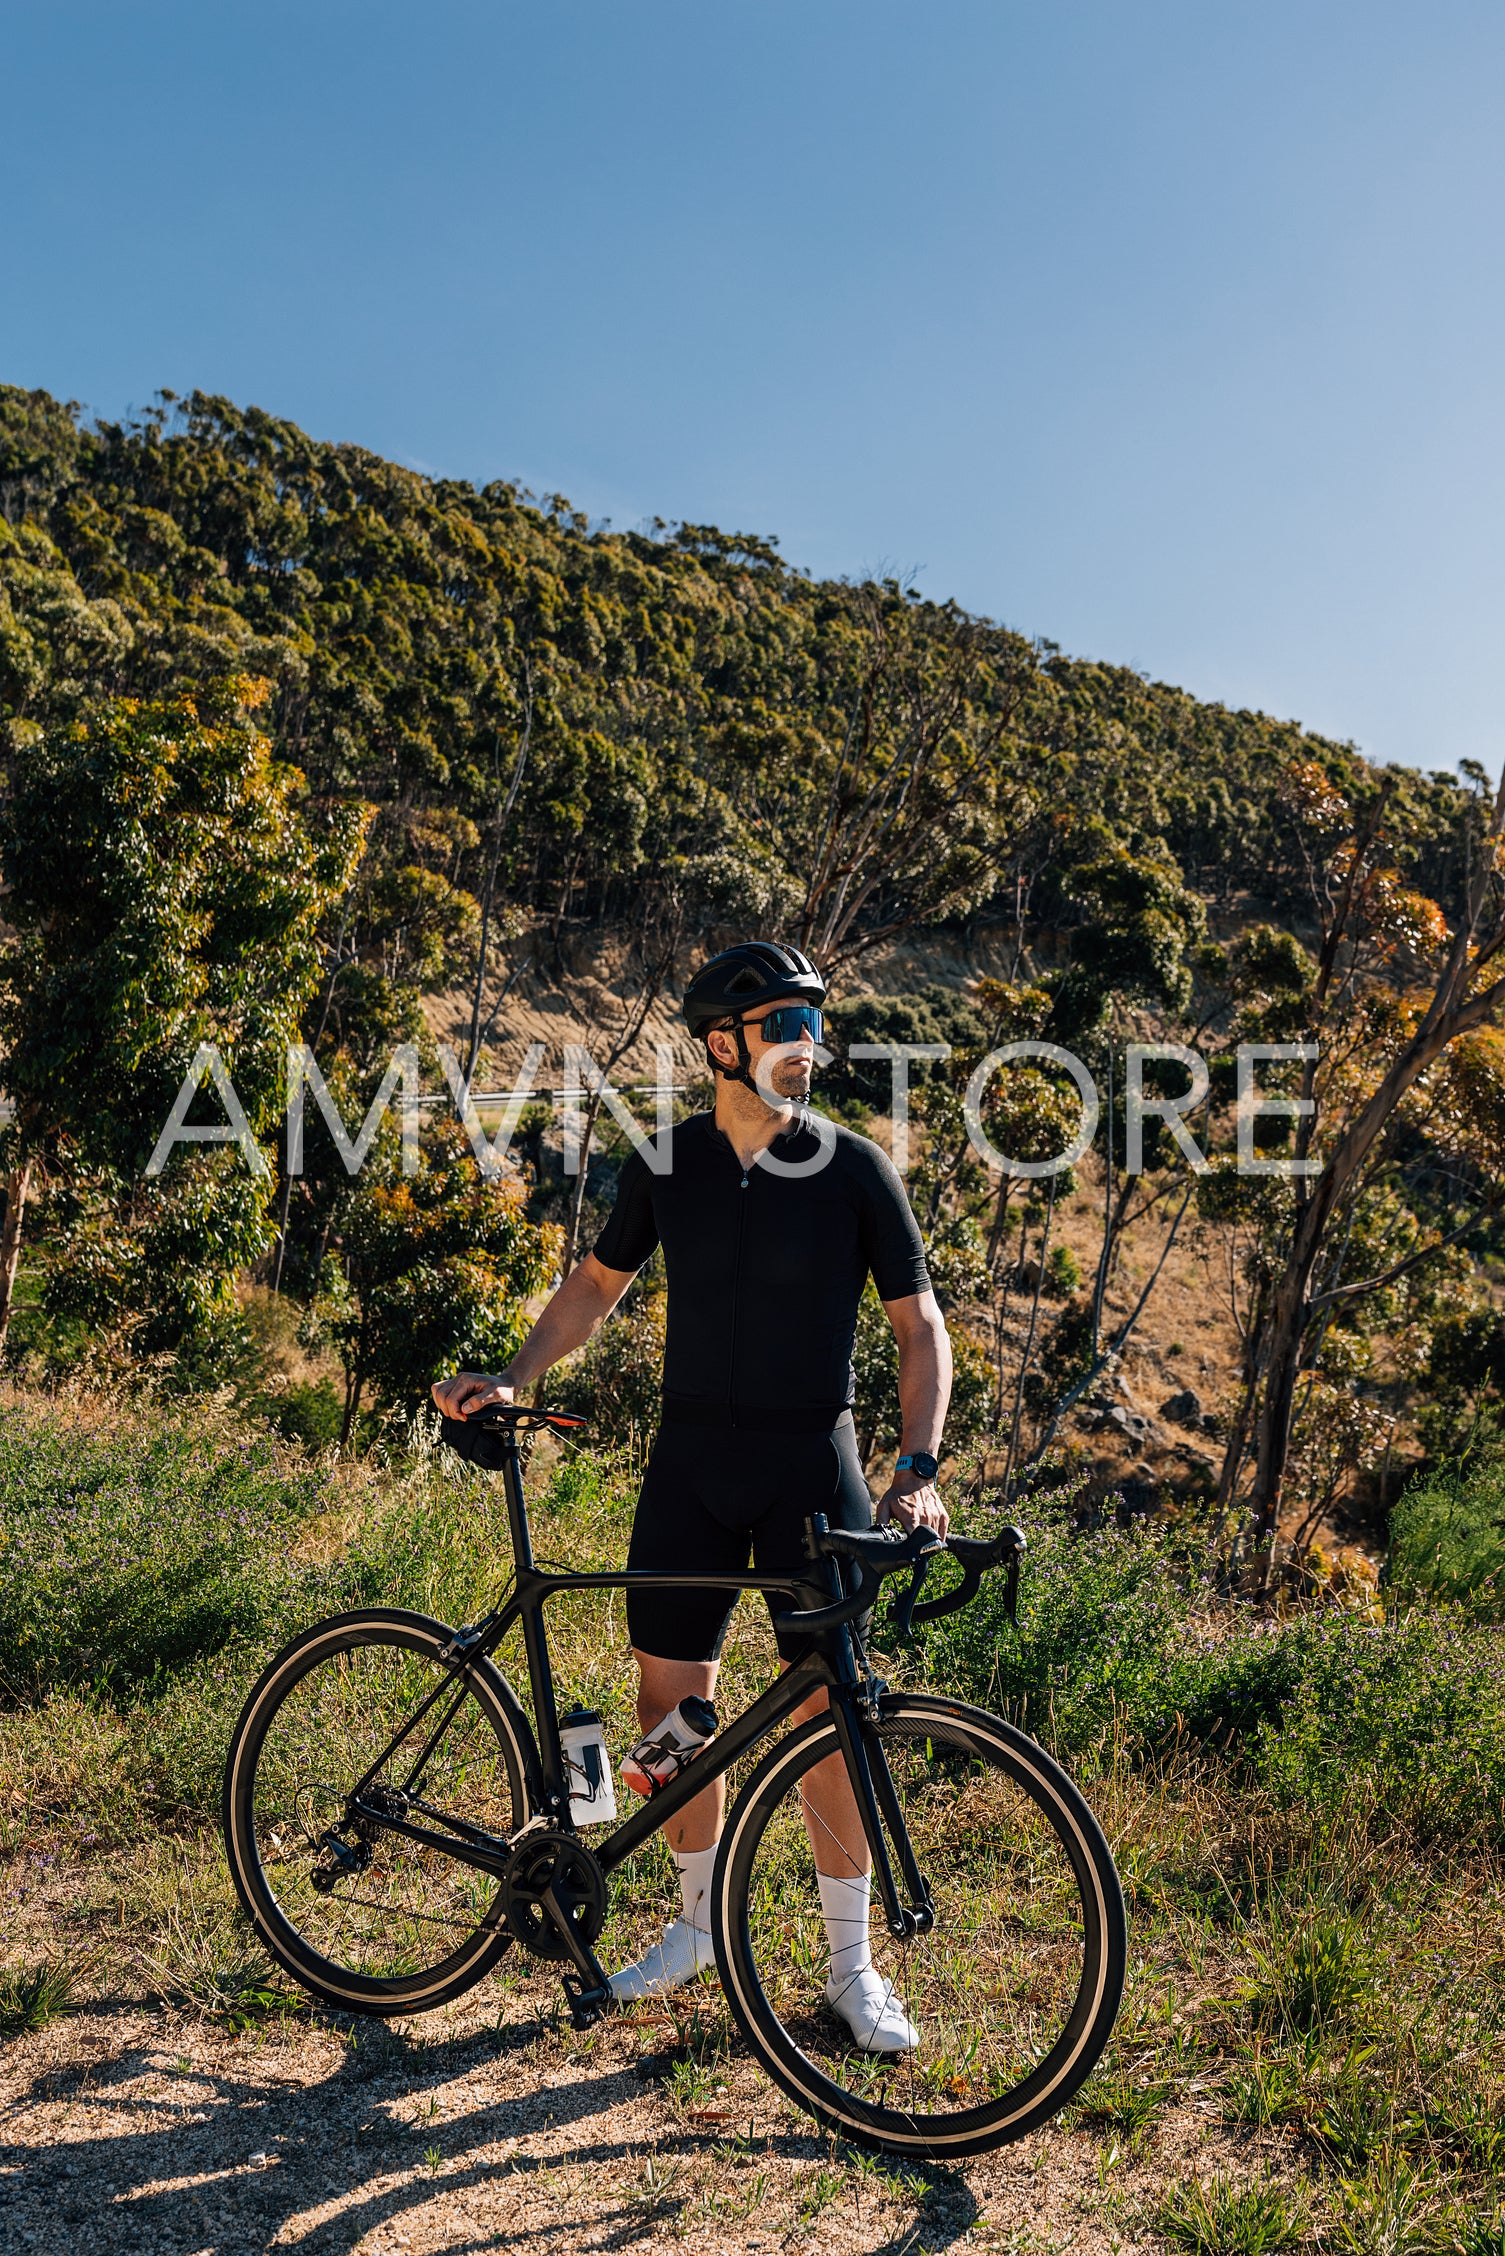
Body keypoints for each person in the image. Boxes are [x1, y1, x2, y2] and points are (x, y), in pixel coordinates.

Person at [432, 939, 952, 2052]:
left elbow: (921, 1331)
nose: (805, 1045)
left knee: (826, 1716)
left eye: (812, 1025)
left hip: (812, 1469)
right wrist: (515, 1378)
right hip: (690, 1469)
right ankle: (695, 1927)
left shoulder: (856, 1170)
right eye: (781, 1026)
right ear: (724, 1043)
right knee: (668, 1705)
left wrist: (917, 1469)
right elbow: (593, 1290)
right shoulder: (666, 1165)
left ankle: (850, 1969)